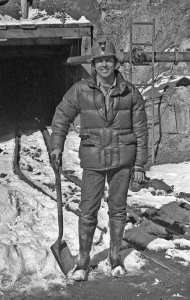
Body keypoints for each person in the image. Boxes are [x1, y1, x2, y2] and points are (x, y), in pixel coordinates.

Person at [50, 39, 148, 281]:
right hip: (93, 158)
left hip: (123, 159)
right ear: (93, 64)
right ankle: (83, 261)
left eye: (108, 60)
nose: (104, 64)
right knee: (88, 211)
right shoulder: (81, 90)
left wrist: (139, 165)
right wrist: (56, 147)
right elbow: (62, 116)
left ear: (115, 63)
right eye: (99, 61)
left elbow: (142, 130)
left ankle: (115, 258)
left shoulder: (131, 93)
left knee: (118, 210)